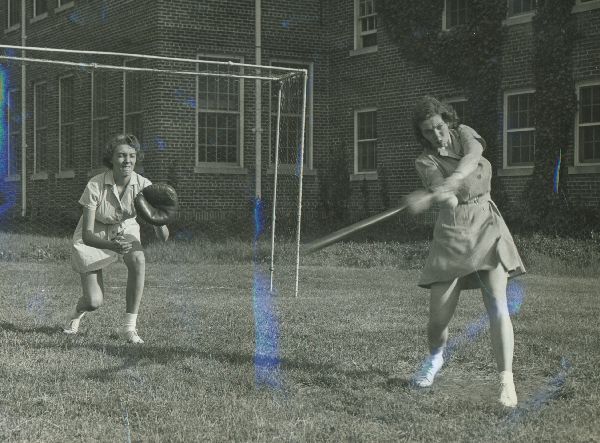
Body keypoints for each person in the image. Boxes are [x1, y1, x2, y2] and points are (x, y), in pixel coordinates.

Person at [405, 96, 525, 408]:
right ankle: (434, 360)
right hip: (452, 234)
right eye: (428, 132)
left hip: (486, 224)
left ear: (448, 121)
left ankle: (506, 382)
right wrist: (437, 195)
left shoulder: (465, 134)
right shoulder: (425, 161)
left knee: (498, 307)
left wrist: (454, 180)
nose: (436, 135)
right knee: (437, 320)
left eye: (439, 127)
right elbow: (451, 203)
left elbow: (474, 156)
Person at [64, 134, 169, 344]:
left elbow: (164, 237)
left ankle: (129, 328)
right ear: (111, 159)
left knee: (138, 258)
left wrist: (159, 217)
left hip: (124, 228)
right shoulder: (95, 185)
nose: (127, 160)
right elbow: (87, 235)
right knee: (94, 301)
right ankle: (76, 313)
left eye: (132, 155)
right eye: (121, 155)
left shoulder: (144, 185)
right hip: (95, 234)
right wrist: (111, 245)